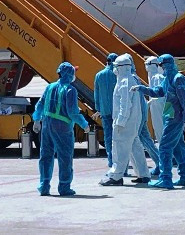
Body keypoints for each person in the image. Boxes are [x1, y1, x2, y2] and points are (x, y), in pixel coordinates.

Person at [131, 54, 185, 189]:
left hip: (175, 116)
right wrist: (141, 88)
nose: (159, 68)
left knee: (164, 147)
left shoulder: (178, 79)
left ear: (166, 65)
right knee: (178, 147)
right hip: (169, 113)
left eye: (161, 65)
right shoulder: (167, 79)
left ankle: (165, 178)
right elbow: (158, 92)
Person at [33, 62, 90, 196]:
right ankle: (64, 186)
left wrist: (36, 119)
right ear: (70, 75)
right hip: (62, 127)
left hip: (47, 125)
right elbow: (72, 112)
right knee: (65, 156)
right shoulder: (70, 90)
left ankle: (44, 185)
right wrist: (84, 124)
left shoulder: (50, 87)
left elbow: (40, 104)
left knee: (46, 155)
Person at [100, 55, 151, 186]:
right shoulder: (130, 79)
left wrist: (120, 121)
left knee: (119, 147)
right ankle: (143, 173)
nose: (114, 69)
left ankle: (116, 176)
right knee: (135, 147)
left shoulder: (124, 81)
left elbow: (125, 103)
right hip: (132, 121)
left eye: (116, 66)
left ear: (121, 67)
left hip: (125, 122)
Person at [92, 53, 118, 168]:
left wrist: (98, 109)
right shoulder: (117, 74)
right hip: (117, 111)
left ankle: (111, 160)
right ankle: (120, 160)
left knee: (108, 136)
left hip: (105, 110)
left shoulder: (99, 75)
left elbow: (96, 95)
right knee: (119, 136)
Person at [145, 56, 165, 142]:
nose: (146, 66)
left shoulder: (158, 77)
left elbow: (161, 94)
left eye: (147, 64)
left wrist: (151, 101)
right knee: (157, 128)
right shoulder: (152, 77)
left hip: (161, 107)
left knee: (162, 128)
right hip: (156, 108)